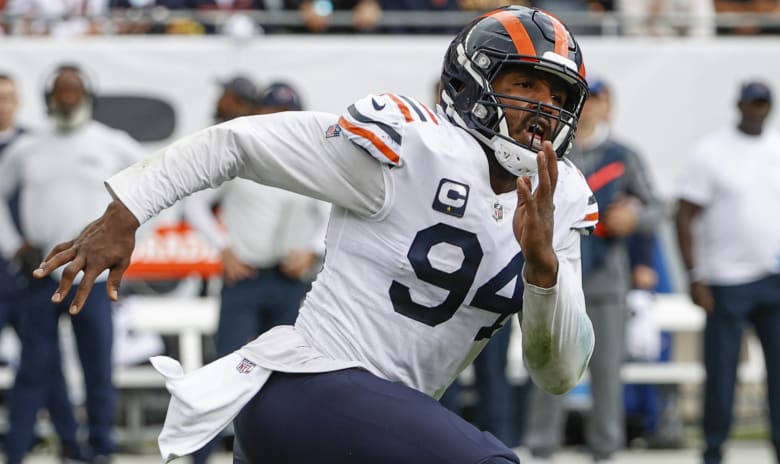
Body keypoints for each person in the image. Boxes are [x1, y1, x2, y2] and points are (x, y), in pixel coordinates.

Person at [35, 6, 598, 463]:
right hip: (309, 392)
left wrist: (543, 272)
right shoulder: (411, 148)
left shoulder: (560, 199)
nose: (542, 108)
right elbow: (236, 145)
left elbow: (556, 373)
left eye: (556, 94)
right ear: (471, 82)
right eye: (526, 83)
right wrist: (124, 212)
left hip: (370, 436)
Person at [0, 64, 145, 464]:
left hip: (94, 279)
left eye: (73, 91)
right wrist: (12, 245)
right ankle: (17, 451)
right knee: (34, 369)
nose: (67, 98)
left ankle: (100, 450)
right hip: (42, 275)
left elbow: (156, 186)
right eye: (60, 92)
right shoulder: (28, 148)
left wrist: (127, 243)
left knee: (97, 370)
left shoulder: (112, 144)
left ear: (87, 95)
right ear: (49, 98)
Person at [676, 80, 780, 464]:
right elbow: (685, 214)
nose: (757, 110)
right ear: (739, 105)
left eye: (763, 104)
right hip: (725, 283)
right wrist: (694, 275)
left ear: (770, 108)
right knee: (722, 377)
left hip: (774, 278)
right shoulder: (711, 152)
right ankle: (713, 452)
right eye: (752, 103)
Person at [184, 80, 329, 464]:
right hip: (243, 277)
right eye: (272, 114)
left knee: (287, 375)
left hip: (288, 280)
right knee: (226, 368)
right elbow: (196, 207)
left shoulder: (314, 163)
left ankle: (279, 455)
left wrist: (310, 251)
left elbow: (333, 217)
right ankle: (197, 455)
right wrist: (223, 247)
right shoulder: (242, 156)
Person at [522, 77, 663, 463]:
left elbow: (656, 208)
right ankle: (541, 447)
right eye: (587, 100)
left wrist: (633, 218)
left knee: (606, 370)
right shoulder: (550, 150)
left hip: (605, 278)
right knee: (547, 363)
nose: (591, 107)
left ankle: (605, 449)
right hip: (556, 275)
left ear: (608, 107)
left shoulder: (622, 155)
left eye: (599, 99)